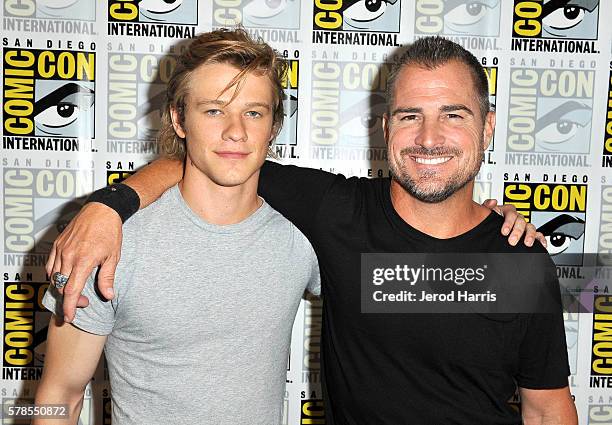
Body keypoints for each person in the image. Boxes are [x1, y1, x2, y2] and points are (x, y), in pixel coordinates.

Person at [44, 37, 571, 424]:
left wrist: (507, 244)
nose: (429, 137)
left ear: (488, 125)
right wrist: (109, 207)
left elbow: (549, 409)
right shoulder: (332, 220)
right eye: (410, 115)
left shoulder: (520, 259)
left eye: (453, 115)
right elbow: (51, 399)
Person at [34, 29, 320, 425]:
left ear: (274, 126)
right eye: (214, 110)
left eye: (253, 112)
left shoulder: (303, 236)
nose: (236, 131)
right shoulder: (109, 244)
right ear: (179, 119)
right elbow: (57, 396)